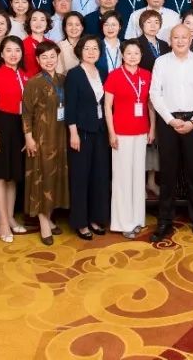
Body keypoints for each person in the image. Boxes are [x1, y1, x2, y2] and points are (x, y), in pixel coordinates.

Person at [148, 25, 193, 244]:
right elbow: (154, 94)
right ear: (170, 39)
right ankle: (165, 221)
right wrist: (170, 119)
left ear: (191, 39)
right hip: (168, 121)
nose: (180, 41)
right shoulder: (161, 62)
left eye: (184, 37)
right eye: (175, 37)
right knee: (168, 173)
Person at [104, 40, 154, 239]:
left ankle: (137, 219)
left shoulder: (147, 75)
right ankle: (122, 222)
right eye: (129, 53)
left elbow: (150, 104)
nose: (132, 56)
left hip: (141, 131)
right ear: (122, 55)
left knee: (137, 176)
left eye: (136, 53)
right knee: (122, 177)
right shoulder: (114, 75)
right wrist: (111, 133)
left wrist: (152, 128)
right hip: (121, 133)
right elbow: (107, 106)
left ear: (141, 56)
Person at [22, 41, 69, 245]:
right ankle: (42, 221)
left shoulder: (63, 80)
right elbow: (26, 113)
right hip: (41, 136)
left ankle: (49, 217)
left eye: (52, 56)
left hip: (60, 135)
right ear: (38, 60)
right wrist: (28, 137)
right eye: (44, 57)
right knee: (41, 176)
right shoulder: (34, 82)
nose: (49, 61)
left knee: (55, 177)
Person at [64, 36, 112, 240]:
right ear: (80, 51)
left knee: (99, 176)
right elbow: (70, 106)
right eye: (87, 48)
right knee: (80, 177)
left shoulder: (102, 72)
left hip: (100, 130)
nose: (91, 52)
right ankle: (81, 222)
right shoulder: (74, 74)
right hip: (81, 132)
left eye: (95, 48)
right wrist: (73, 133)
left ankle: (95, 218)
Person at [0, 36, 29, 243]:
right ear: (1, 54)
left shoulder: (25, 75)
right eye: (8, 50)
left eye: (17, 50)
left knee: (13, 176)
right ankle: (2, 221)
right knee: (0, 175)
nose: (13, 54)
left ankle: (10, 217)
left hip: (20, 126)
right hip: (1, 125)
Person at [21, 10, 51, 75]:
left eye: (42, 20)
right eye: (34, 20)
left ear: (47, 23)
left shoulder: (51, 44)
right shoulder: (22, 45)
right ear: (29, 23)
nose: (38, 23)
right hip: (29, 80)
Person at [96, 11, 125, 78]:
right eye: (106, 25)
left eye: (113, 25)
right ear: (102, 27)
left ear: (120, 27)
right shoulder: (96, 47)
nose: (110, 28)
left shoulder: (126, 47)